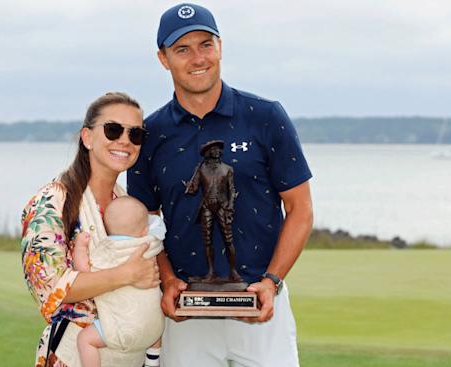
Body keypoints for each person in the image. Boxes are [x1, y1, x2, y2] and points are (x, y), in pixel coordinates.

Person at [127, 3, 314, 366]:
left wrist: (272, 281)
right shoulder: (150, 135)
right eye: (182, 49)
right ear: (163, 58)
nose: (197, 58)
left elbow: (300, 209)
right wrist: (167, 281)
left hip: (261, 307)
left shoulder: (266, 116)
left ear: (221, 48)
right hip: (186, 316)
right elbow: (145, 223)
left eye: (206, 45)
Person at [21, 92, 162, 367]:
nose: (124, 140)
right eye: (112, 130)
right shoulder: (53, 202)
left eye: (136, 134)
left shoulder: (127, 206)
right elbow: (50, 287)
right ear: (87, 138)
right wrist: (126, 274)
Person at [73, 195, 165, 367]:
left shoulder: (106, 251)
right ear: (145, 231)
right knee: (151, 314)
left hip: (123, 330)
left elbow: (84, 273)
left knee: (85, 340)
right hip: (154, 329)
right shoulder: (151, 246)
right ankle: (153, 360)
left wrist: (80, 248)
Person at [184, 140, 241, 283]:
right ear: (208, 153)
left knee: (228, 240)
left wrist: (230, 204)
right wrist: (190, 187)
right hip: (207, 207)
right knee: (207, 241)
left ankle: (233, 272)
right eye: (212, 149)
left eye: (217, 149)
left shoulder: (228, 169)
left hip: (222, 207)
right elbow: (195, 189)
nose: (215, 151)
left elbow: (232, 190)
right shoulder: (201, 169)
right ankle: (211, 272)